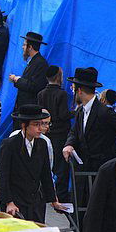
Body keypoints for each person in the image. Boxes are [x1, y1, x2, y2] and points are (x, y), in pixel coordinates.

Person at [64, 67, 116, 217]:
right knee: (78, 215)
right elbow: (75, 132)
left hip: (100, 171)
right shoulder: (80, 111)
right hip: (82, 172)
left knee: (96, 214)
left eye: (73, 88)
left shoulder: (104, 112)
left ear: (79, 91)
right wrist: (69, 144)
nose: (72, 92)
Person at [0, 104, 62, 223]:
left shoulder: (42, 144)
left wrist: (53, 200)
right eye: (36, 124)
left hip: (35, 202)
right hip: (16, 203)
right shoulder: (10, 145)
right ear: (24, 125)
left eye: (41, 124)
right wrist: (9, 202)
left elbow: (46, 174)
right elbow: (3, 176)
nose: (40, 128)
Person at [37, 65, 73, 200]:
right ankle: (60, 194)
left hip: (46, 132)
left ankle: (45, 190)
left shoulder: (41, 94)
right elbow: (63, 114)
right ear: (58, 77)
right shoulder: (61, 94)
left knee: (46, 161)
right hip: (60, 133)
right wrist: (76, 112)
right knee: (60, 165)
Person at [8, 31, 49, 111]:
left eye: (24, 45)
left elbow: (35, 86)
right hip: (23, 107)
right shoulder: (33, 61)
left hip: (30, 109)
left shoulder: (41, 63)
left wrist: (17, 79)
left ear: (30, 47)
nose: (22, 47)